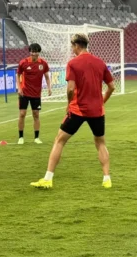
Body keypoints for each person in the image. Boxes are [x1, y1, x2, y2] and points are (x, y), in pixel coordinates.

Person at [30, 33, 114, 190]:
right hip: (97, 111)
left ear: (76, 45)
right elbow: (112, 87)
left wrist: (69, 104)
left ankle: (48, 178)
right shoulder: (100, 62)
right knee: (100, 143)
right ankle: (107, 178)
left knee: (59, 140)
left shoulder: (73, 63)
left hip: (78, 110)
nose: (72, 49)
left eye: (72, 47)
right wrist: (101, 102)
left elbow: (70, 89)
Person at [16, 43, 52, 145]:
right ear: (30, 52)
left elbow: (47, 77)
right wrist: (19, 88)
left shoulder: (43, 63)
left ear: (38, 52)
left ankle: (36, 138)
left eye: (35, 52)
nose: (33, 53)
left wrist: (49, 87)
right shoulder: (24, 62)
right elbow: (18, 75)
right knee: (22, 114)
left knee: (36, 115)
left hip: (36, 94)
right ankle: (21, 137)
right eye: (32, 51)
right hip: (24, 93)